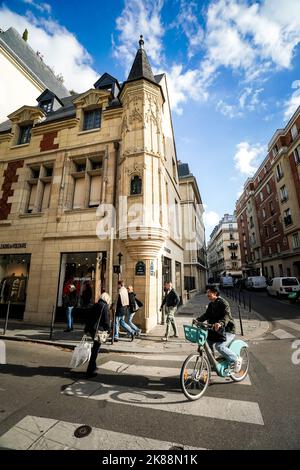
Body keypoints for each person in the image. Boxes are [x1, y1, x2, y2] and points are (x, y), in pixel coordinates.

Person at [195, 286, 242, 373]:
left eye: (209, 292)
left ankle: (236, 359)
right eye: (207, 292)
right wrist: (198, 320)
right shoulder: (211, 304)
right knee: (207, 343)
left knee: (219, 346)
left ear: (215, 293)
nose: (207, 294)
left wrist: (220, 323)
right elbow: (206, 315)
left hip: (227, 330)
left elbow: (226, 316)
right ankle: (213, 364)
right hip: (215, 330)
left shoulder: (223, 303)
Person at [84, 292, 111, 379]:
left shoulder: (95, 305)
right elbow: (106, 320)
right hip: (98, 331)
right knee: (95, 350)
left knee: (95, 348)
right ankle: (90, 371)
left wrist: (86, 329)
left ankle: (93, 366)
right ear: (106, 299)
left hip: (92, 329)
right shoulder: (105, 306)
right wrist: (109, 329)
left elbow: (89, 318)